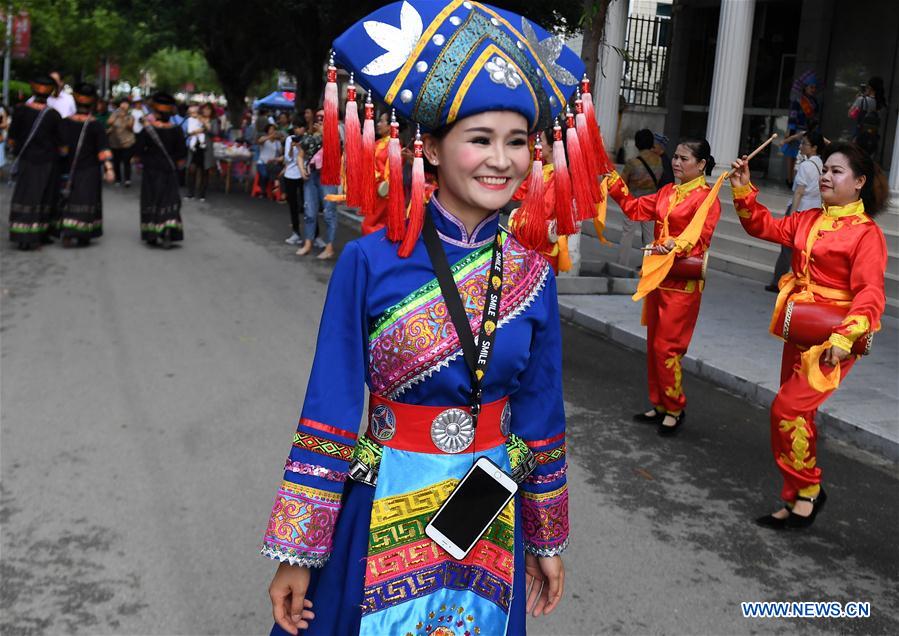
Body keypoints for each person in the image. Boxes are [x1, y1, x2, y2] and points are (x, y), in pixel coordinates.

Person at [263, 2, 585, 633]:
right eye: (480, 140)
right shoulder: (368, 262)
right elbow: (329, 406)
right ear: (432, 149)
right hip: (380, 501)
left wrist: (546, 540)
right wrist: (299, 550)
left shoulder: (533, 272)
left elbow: (542, 412)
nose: (502, 160)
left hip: (490, 506)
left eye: (517, 142)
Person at [729, 141, 887, 530]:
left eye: (836, 171)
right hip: (801, 326)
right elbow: (762, 226)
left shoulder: (867, 234)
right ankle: (795, 497)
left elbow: (870, 293)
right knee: (799, 416)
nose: (826, 176)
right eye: (825, 169)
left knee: (788, 409)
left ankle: (810, 489)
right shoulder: (809, 218)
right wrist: (744, 188)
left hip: (835, 338)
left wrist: (843, 338)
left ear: (860, 182)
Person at [607, 139, 722, 434]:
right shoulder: (667, 192)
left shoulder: (707, 199)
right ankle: (659, 403)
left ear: (701, 165)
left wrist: (675, 245)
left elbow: (700, 238)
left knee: (666, 349)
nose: (677, 162)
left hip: (682, 284)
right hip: (659, 277)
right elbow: (634, 209)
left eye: (684, 159)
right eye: (676, 157)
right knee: (653, 345)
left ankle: (675, 406)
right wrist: (614, 184)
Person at [7, 76, 64, 250]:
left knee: (24, 194)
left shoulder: (20, 110)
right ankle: (40, 233)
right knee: (43, 196)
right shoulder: (53, 115)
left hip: (26, 160)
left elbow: (11, 139)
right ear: (51, 92)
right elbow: (61, 144)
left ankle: (21, 234)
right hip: (47, 162)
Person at [765, 130, 825, 292]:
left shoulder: (806, 166)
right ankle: (803, 283)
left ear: (814, 148)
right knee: (804, 249)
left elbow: (799, 191)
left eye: (805, 143)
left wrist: (791, 216)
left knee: (787, 248)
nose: (801, 146)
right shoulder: (821, 165)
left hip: (799, 211)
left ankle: (778, 281)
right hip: (813, 211)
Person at [58, 83, 114, 246]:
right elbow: (103, 150)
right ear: (92, 103)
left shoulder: (65, 122)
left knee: (68, 198)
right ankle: (83, 233)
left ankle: (67, 232)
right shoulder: (96, 124)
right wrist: (109, 169)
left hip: (68, 168)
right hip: (89, 170)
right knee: (86, 200)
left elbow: (61, 148)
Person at [134, 92, 187, 248]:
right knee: (169, 200)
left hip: (151, 170)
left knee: (152, 200)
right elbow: (182, 154)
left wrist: (140, 162)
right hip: (169, 170)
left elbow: (138, 152)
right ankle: (167, 230)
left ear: (155, 111)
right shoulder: (176, 130)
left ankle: (152, 233)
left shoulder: (147, 130)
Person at [617, 128, 662, 267]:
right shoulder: (658, 160)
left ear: (637, 144)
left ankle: (622, 264)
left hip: (633, 201)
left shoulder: (632, 163)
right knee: (649, 236)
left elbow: (621, 182)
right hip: (651, 201)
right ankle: (648, 265)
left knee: (627, 233)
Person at [295, 110, 335, 259]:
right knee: (309, 211)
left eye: (323, 118)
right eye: (318, 118)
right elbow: (300, 155)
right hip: (311, 176)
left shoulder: (335, 135)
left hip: (328, 175)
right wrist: (301, 169)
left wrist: (325, 132)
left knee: (329, 212)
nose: (320, 120)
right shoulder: (309, 137)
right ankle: (308, 243)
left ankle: (329, 247)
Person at [782, 73, 818, 186]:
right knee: (791, 156)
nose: (813, 89)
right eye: (811, 87)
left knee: (802, 157)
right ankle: (789, 179)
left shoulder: (815, 102)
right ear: (805, 87)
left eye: (814, 87)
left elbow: (815, 118)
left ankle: (798, 181)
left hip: (807, 131)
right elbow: (793, 115)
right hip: (796, 130)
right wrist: (791, 131)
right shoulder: (797, 100)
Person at [360, 111, 391, 235]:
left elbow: (390, 172)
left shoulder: (395, 145)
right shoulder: (379, 143)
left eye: (382, 121)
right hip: (374, 190)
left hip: (384, 192)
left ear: (391, 126)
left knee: (367, 225)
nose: (378, 124)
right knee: (381, 223)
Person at [280, 117, 306, 245]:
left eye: (299, 127)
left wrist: (301, 147)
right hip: (290, 175)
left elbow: (308, 157)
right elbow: (287, 159)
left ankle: (313, 235)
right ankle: (296, 232)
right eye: (295, 128)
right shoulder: (289, 139)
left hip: (303, 175)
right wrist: (291, 147)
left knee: (306, 206)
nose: (297, 130)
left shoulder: (308, 139)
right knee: (293, 205)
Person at [186, 102, 219, 201]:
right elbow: (190, 130)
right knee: (192, 170)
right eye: (205, 109)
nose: (206, 111)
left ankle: (202, 194)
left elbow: (214, 132)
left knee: (205, 171)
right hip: (195, 147)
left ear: (212, 111)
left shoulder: (213, 121)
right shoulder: (196, 118)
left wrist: (205, 123)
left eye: (208, 109)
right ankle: (190, 193)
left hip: (206, 149)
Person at [849, 76, 886, 157]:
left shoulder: (861, 99)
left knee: (855, 156)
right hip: (873, 136)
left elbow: (851, 114)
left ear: (870, 88)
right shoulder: (881, 104)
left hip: (859, 133)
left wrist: (858, 98)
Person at [107, 98, 136, 187]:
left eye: (126, 104)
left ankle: (127, 179)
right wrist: (117, 116)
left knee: (127, 161)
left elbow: (130, 127)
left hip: (127, 142)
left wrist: (124, 118)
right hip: (115, 142)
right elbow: (109, 122)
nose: (124, 105)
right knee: (116, 161)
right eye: (123, 103)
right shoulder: (114, 114)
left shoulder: (130, 116)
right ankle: (118, 179)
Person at [256, 123, 282, 198]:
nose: (273, 131)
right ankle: (263, 191)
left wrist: (280, 140)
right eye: (271, 129)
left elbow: (280, 152)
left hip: (271, 163)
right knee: (264, 174)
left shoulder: (277, 142)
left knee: (276, 172)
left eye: (274, 130)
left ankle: (273, 190)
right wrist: (271, 136)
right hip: (262, 162)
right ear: (267, 131)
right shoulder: (264, 139)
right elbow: (260, 141)